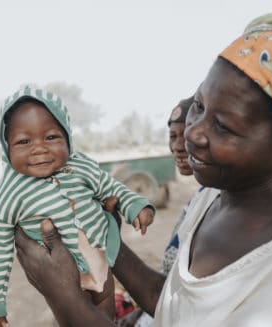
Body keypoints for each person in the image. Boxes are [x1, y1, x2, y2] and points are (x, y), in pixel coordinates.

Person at [14, 8, 272, 326]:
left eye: (222, 126)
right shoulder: (213, 196)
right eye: (199, 107)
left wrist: (64, 297)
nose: (192, 133)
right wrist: (106, 239)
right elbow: (175, 307)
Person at [0, 86, 155, 326]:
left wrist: (134, 205)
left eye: (51, 137)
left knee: (106, 315)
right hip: (61, 277)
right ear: (6, 148)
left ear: (68, 138)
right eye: (23, 141)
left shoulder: (78, 165)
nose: (39, 148)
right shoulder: (10, 190)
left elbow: (110, 186)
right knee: (74, 319)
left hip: (101, 263)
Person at [117, 96, 196, 327]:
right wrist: (138, 314)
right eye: (173, 137)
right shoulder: (198, 201)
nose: (179, 146)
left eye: (189, 133)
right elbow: (169, 280)